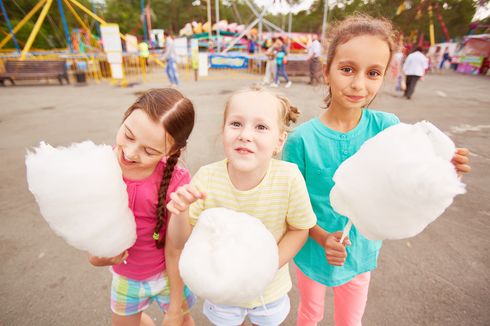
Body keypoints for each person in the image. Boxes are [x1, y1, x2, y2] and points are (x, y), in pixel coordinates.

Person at [282, 15, 471, 326]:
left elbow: (405, 186)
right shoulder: (301, 140)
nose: (358, 84)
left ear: (385, 75)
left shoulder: (388, 128)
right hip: (313, 253)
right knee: (310, 314)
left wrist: (442, 172)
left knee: (350, 320)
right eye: (347, 69)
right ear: (326, 71)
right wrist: (320, 237)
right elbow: (292, 206)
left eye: (373, 73)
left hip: (360, 255)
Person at [167, 86, 317, 325]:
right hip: (220, 290)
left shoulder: (289, 178)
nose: (246, 134)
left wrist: (264, 268)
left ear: (279, 141)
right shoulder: (207, 178)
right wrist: (180, 212)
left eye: (261, 127)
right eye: (236, 124)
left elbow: (300, 229)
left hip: (269, 291)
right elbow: (180, 241)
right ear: (223, 130)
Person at [88, 88, 197, 326]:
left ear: (173, 151)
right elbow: (89, 224)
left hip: (170, 275)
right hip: (126, 278)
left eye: (149, 151)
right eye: (128, 135)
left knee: (182, 321)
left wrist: (176, 308)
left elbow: (176, 248)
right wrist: (96, 257)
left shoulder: (177, 180)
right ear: (126, 117)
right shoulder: (99, 166)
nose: (130, 152)